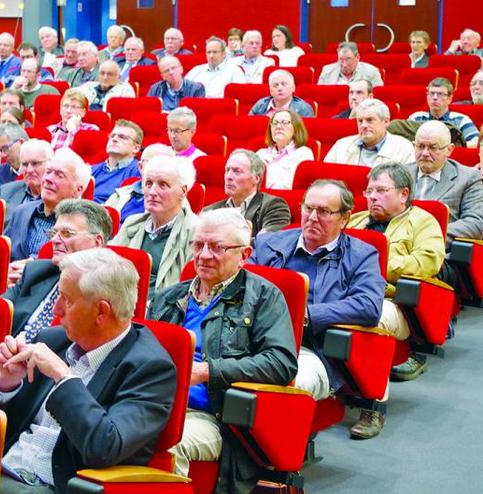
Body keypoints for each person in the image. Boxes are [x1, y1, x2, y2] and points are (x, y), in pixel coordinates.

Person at [0, 247, 176, 494]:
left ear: (101, 312)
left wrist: (63, 376)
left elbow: (105, 447)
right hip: (3, 468)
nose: (56, 309)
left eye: (67, 300)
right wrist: (7, 384)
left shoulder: (150, 369)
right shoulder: (53, 339)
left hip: (56, 484)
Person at [147, 208, 297, 487]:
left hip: (214, 416)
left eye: (217, 248)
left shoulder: (264, 297)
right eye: (198, 245)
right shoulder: (169, 298)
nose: (203, 255)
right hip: (155, 403)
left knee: (162, 442)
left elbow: (281, 363)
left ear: (245, 254)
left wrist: (207, 371)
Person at [250, 180, 387, 438]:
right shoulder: (269, 244)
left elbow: (369, 306)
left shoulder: (362, 255)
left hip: (312, 347)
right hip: (255, 337)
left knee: (280, 383)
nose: (312, 217)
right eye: (307, 208)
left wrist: (308, 314)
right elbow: (241, 285)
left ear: (345, 218)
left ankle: (279, 456)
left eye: (323, 211)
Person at [347, 163, 446, 391]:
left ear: (404, 194)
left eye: (381, 191)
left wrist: (375, 267)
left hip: (393, 301)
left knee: (372, 317)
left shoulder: (423, 221)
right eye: (369, 191)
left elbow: (427, 262)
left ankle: (372, 404)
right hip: (347, 292)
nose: (373, 197)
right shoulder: (355, 220)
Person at [3, 199, 112, 336]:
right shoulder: (35, 271)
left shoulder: (107, 293)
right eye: (53, 233)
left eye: (66, 233)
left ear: (97, 242)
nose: (54, 240)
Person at [110, 156, 198, 296]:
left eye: (163, 185)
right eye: (149, 183)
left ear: (183, 191)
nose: (152, 192)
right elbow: (107, 268)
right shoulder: (132, 223)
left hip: (163, 310)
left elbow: (189, 289)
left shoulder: (197, 232)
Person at [5, 147, 91, 262]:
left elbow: (83, 265)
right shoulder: (21, 211)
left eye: (59, 175)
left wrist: (32, 266)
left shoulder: (87, 222)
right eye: (48, 172)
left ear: (78, 190)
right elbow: (4, 255)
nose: (48, 179)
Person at [407, 120, 483, 242]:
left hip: (440, 251)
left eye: (433, 147)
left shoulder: (468, 178)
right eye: (420, 146)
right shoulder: (399, 173)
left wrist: (429, 234)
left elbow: (476, 224)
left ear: (449, 150)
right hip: (397, 248)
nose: (425, 153)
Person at [205, 149, 291, 235]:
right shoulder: (210, 211)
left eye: (237, 171)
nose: (228, 176)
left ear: (256, 178)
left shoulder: (274, 206)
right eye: (227, 170)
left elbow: (265, 242)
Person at [325, 98, 415, 167]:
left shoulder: (404, 148)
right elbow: (325, 179)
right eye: (360, 121)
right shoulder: (341, 145)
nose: (363, 125)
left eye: (369, 120)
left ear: (386, 122)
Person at [105, 143, 175, 223]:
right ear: (140, 167)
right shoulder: (119, 194)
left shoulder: (175, 201)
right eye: (153, 162)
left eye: (164, 164)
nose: (158, 168)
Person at [408, 77, 480, 148]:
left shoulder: (461, 120)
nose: (435, 97)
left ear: (449, 99)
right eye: (432, 93)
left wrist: (446, 148)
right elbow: (403, 141)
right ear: (427, 96)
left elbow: (476, 141)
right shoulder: (416, 118)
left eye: (440, 94)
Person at [256, 109, 314, 189]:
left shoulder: (303, 153)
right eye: (275, 123)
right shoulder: (261, 154)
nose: (278, 126)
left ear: (296, 128)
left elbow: (289, 186)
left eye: (285, 122)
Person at [0, 139, 53, 218]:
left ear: (50, 165)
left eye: (35, 163)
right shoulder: (5, 191)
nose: (29, 170)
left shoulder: (57, 196)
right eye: (25, 164)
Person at [90, 119, 143, 203]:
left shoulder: (139, 172)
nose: (114, 139)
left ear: (136, 148)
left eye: (122, 137)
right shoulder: (91, 170)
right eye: (112, 136)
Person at [248, 69, 315, 117]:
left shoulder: (303, 108)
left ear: (293, 88)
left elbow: (305, 134)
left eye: (284, 84)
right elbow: (249, 125)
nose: (279, 88)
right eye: (275, 85)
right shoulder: (261, 105)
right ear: (270, 90)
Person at [317, 41, 384, 87]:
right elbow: (319, 95)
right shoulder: (327, 71)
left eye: (348, 59)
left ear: (357, 57)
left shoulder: (371, 72)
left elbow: (378, 99)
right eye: (341, 60)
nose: (344, 65)